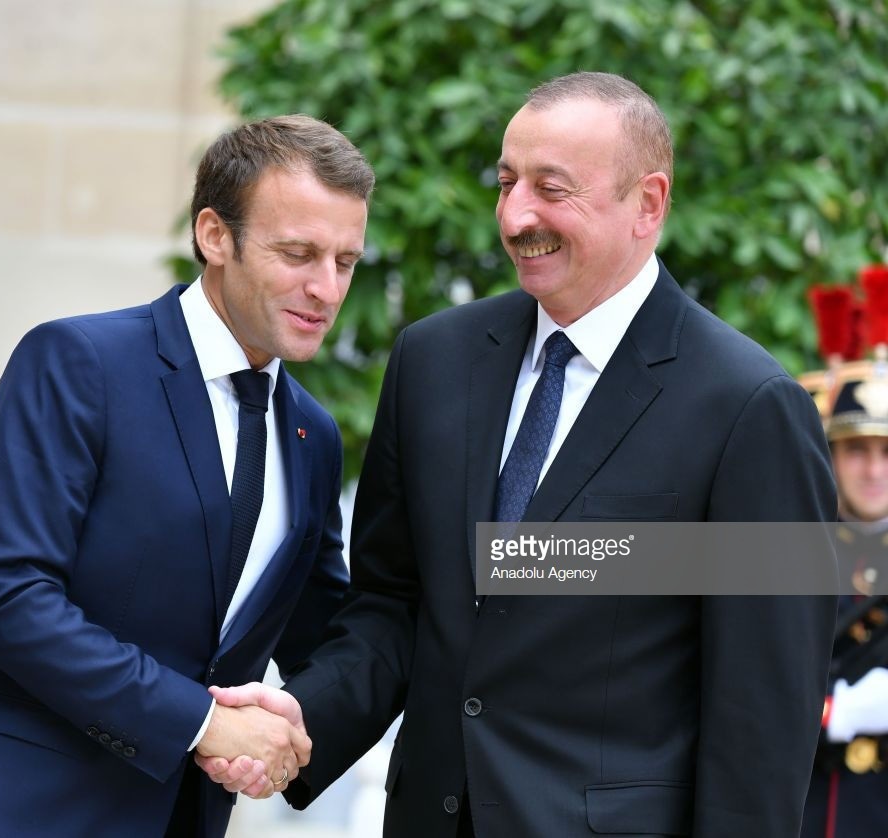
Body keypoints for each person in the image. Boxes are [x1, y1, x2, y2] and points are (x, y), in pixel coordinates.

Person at [203, 73, 838, 837]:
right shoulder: (433, 361)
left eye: (551, 188)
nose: (515, 216)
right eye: (506, 183)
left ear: (648, 203)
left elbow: (763, 716)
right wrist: (303, 717)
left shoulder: (751, 408)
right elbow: (395, 607)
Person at [0, 114, 374, 836]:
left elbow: (327, 636)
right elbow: (8, 598)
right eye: (298, 253)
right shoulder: (80, 362)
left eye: (346, 261)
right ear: (214, 235)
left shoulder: (312, 436)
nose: (326, 288)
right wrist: (202, 724)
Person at [800, 364, 888, 837]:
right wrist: (835, 712)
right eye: (857, 450)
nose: (874, 471)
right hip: (807, 806)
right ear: (831, 455)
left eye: (887, 451)